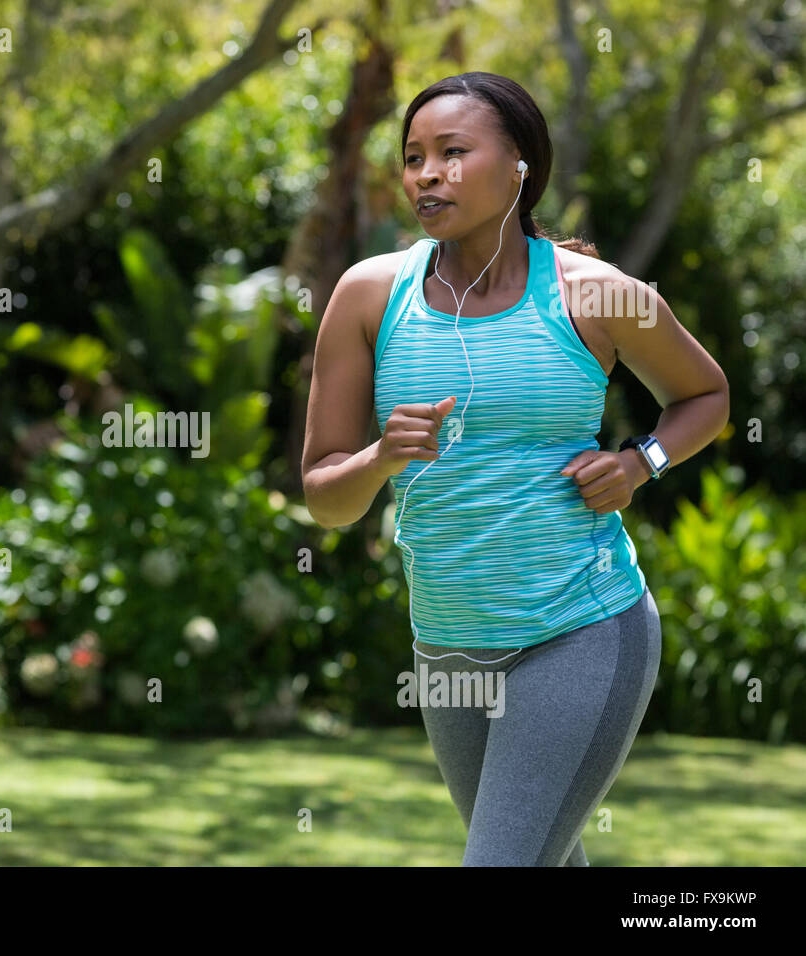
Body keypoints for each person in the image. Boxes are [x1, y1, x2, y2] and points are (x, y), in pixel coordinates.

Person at [300, 72, 730, 865]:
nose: (427, 174)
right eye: (414, 157)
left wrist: (643, 463)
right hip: (449, 650)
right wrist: (380, 455)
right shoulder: (368, 296)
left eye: (453, 153)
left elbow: (706, 394)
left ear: (520, 165)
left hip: (582, 627)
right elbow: (326, 497)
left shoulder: (597, 295)